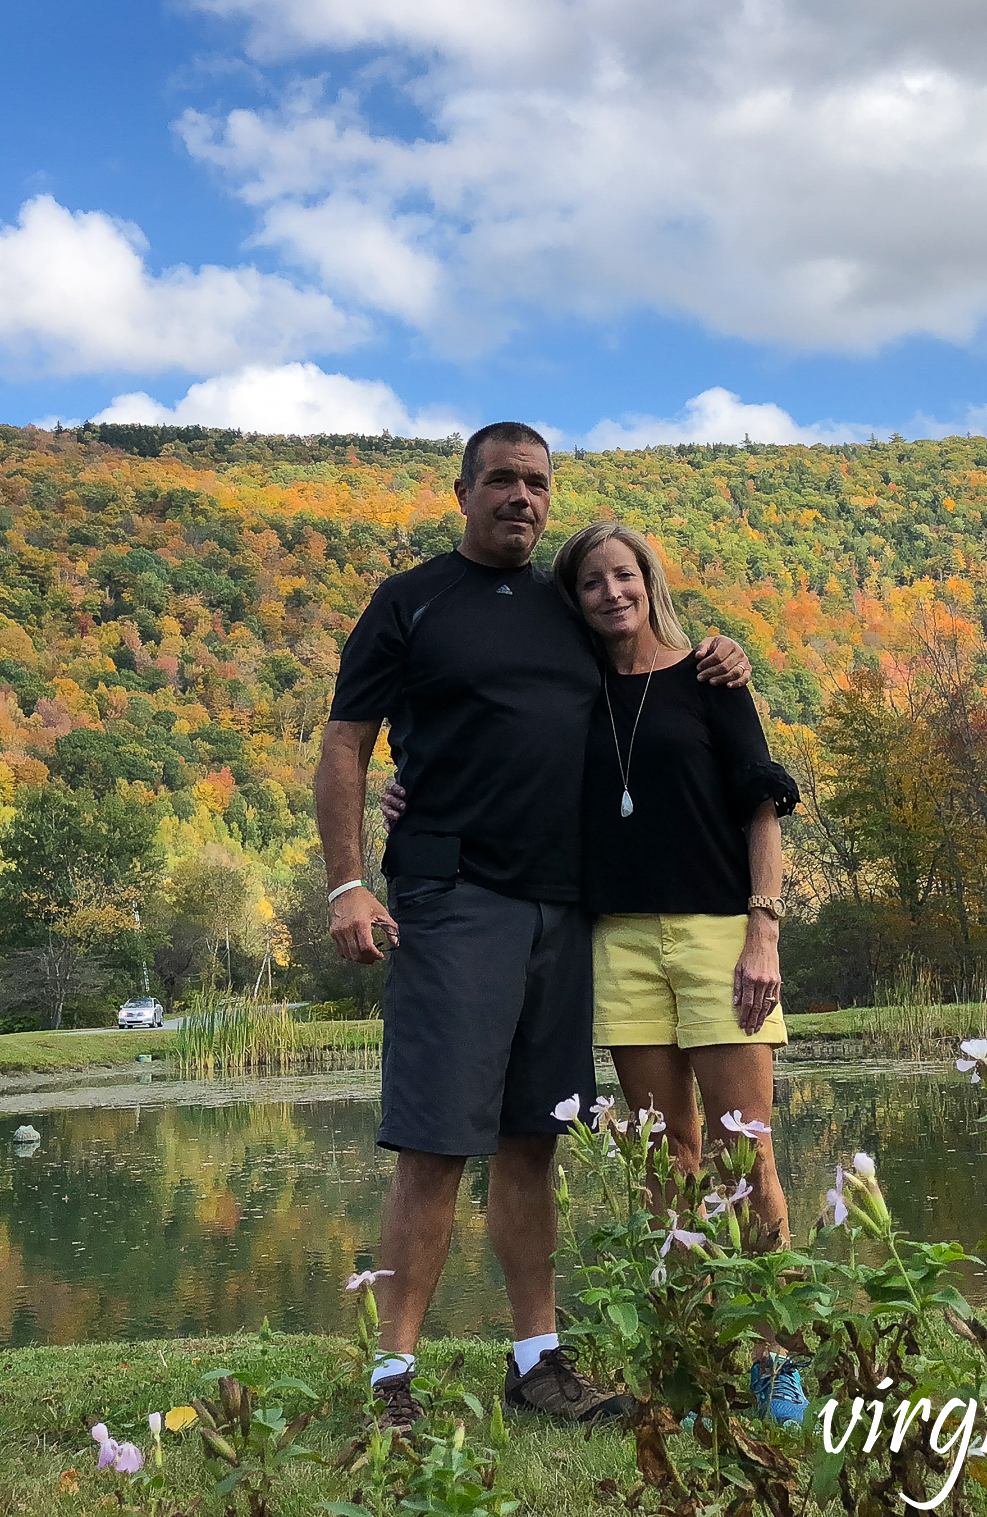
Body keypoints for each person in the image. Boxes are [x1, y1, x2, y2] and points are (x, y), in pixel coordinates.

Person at [316, 422, 752, 1430]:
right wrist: (347, 882)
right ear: (462, 490)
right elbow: (347, 742)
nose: (521, 497)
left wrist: (716, 654)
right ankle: (391, 1377)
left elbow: (649, 675)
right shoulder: (409, 602)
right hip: (454, 899)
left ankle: (537, 1362)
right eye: (502, 480)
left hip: (566, 910)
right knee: (433, 1144)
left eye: (537, 483)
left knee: (533, 1141)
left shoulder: (568, 612)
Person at [552, 519, 806, 1422]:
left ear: (647, 580)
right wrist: (411, 787)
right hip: (617, 943)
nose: (610, 593)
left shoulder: (710, 674)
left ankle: (776, 1357)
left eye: (623, 576)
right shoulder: (572, 690)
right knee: (668, 1160)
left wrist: (762, 930)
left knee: (746, 1150)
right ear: (573, 597)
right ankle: (697, 1349)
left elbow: (760, 806)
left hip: (716, 936)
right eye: (591, 583)